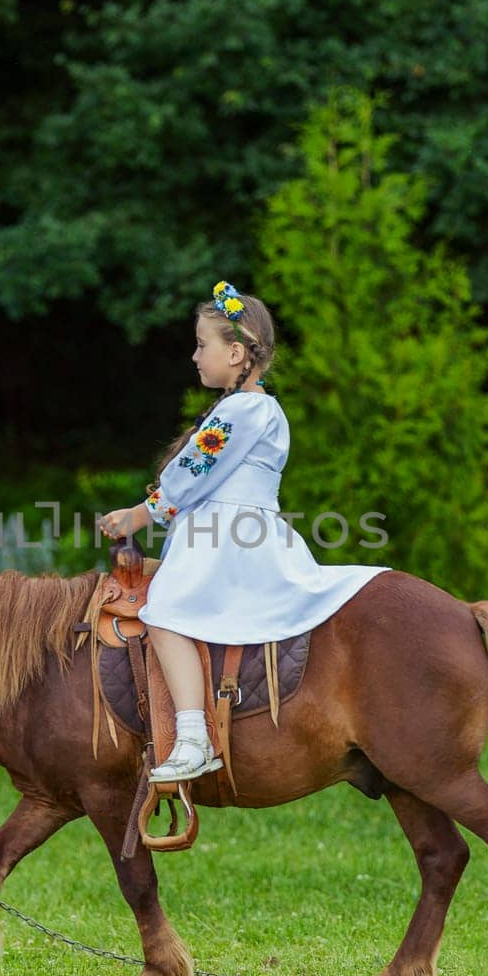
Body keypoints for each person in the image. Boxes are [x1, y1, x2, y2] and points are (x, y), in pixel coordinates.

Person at [98, 281, 391, 782]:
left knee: (163, 612)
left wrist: (139, 515)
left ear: (235, 353)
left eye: (202, 344)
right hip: (222, 533)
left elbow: (193, 470)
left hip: (228, 539)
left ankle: (193, 737)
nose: (194, 356)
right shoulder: (248, 410)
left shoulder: (245, 410)